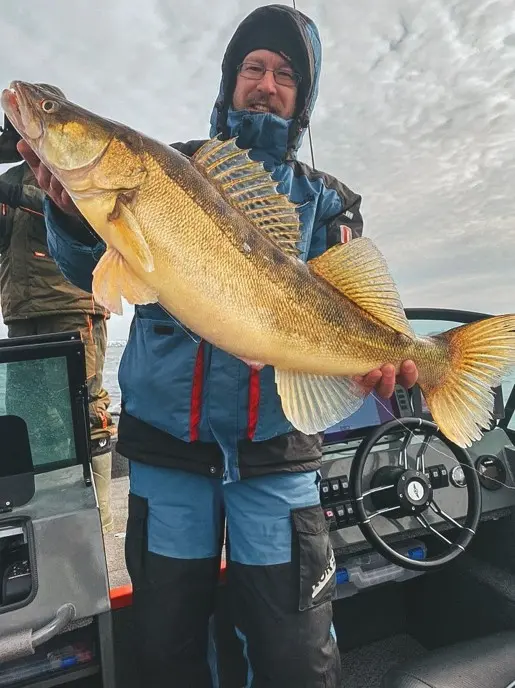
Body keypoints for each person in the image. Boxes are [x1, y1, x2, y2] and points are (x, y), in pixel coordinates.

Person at [19, 5, 419, 686]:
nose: (265, 82)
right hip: (169, 452)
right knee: (168, 646)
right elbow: (93, 270)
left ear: (303, 98)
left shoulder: (328, 202)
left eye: (285, 74)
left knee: (294, 652)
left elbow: (349, 308)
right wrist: (67, 212)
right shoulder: (172, 168)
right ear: (229, 81)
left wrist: (388, 363)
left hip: (276, 458)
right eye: (253, 67)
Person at [0, 85, 116, 533]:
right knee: (30, 420)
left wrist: (13, 190)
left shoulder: (72, 166)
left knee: (85, 413)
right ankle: (48, 525)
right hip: (20, 312)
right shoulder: (13, 176)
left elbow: (80, 216)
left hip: (72, 309)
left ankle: (98, 525)